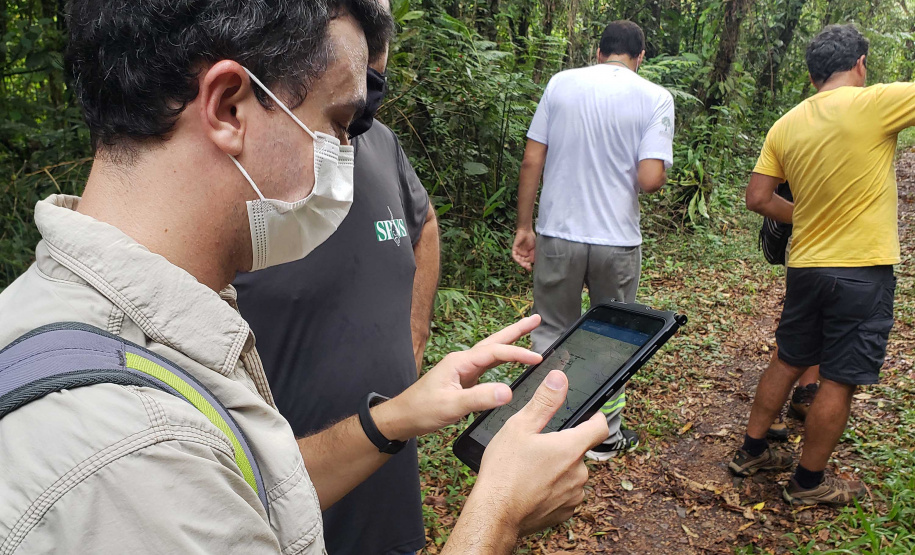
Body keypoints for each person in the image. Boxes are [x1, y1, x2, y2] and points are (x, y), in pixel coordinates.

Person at [0, 1, 609, 553]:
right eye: (340, 124)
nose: (348, 153)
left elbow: (249, 496)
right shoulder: (133, 458)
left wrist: (395, 416)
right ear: (229, 106)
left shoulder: (80, 321)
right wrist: (497, 516)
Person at [233, 1, 439, 550]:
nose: (349, 139)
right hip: (287, 516)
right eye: (341, 121)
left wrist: (413, 342)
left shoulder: (380, 144)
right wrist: (499, 511)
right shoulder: (242, 177)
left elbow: (421, 222)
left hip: (384, 490)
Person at [731, 23, 914, 506]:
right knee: (838, 377)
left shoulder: (786, 123)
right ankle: (808, 483)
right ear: (858, 65)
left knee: (789, 357)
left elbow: (757, 197)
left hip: (806, 264)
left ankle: (751, 450)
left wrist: (808, 215)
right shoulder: (875, 102)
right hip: (862, 269)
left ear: (812, 75)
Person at [512, 20, 674, 460]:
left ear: (598, 52)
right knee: (614, 336)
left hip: (558, 234)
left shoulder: (561, 84)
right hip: (617, 241)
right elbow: (650, 178)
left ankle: (542, 431)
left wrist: (525, 225)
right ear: (639, 58)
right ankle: (604, 437)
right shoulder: (655, 97)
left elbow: (532, 159)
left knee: (550, 332)